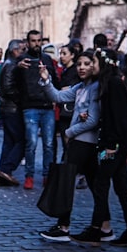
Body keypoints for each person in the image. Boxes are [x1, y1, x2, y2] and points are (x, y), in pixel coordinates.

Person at [37, 50, 100, 242]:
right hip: (80, 142)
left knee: (66, 182)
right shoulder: (81, 87)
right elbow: (57, 97)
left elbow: (93, 120)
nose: (81, 67)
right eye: (79, 63)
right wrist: (46, 80)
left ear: (95, 66)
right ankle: (103, 225)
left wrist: (68, 132)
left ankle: (64, 226)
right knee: (96, 184)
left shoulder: (96, 88)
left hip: (84, 142)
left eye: (87, 63)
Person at [89, 48, 127, 246]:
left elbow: (121, 119)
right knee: (121, 186)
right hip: (116, 144)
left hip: (113, 146)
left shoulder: (114, 84)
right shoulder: (109, 83)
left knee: (100, 184)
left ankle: (96, 230)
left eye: (93, 61)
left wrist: (114, 146)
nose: (92, 65)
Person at [14, 30, 58, 189]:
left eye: (39, 40)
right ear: (28, 42)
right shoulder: (21, 60)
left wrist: (55, 98)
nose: (37, 44)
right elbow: (12, 82)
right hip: (29, 107)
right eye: (33, 41)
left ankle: (47, 175)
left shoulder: (46, 59)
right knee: (31, 143)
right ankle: (29, 176)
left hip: (47, 106)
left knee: (49, 143)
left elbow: (54, 80)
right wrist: (18, 68)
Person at [0, 39, 25, 186]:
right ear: (15, 50)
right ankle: (6, 168)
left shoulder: (9, 64)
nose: (23, 52)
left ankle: (3, 173)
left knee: (9, 142)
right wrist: (22, 99)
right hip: (12, 108)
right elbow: (8, 89)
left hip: (8, 108)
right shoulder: (11, 65)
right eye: (21, 49)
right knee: (21, 140)